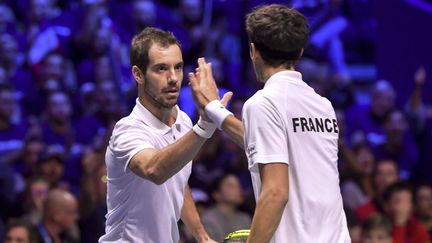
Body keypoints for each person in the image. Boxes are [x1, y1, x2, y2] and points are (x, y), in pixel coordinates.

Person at [188, 4, 350, 243]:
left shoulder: (262, 103)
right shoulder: (323, 105)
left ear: (253, 51)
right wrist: (216, 110)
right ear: (300, 51)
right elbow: (271, 144)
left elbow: (275, 192)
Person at [99, 27, 230, 243]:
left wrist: (201, 235)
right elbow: (156, 170)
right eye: (161, 69)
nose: (173, 78)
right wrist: (205, 125)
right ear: (138, 74)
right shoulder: (127, 130)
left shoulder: (183, 121)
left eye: (178, 67)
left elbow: (177, 181)